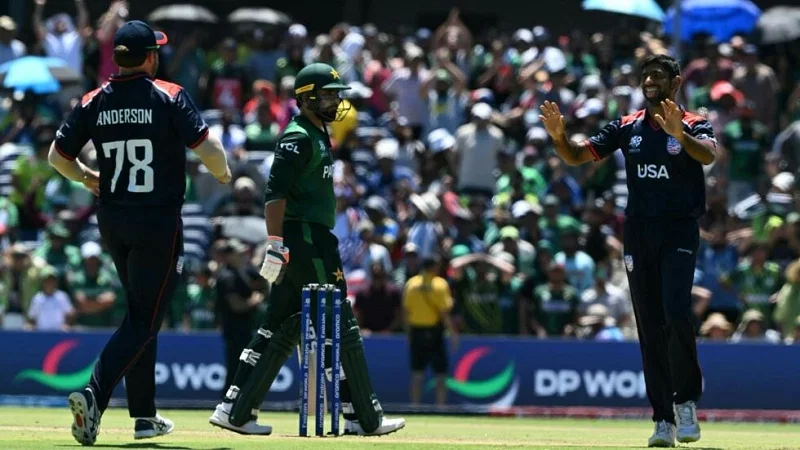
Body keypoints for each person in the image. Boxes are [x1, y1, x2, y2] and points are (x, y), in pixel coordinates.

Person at [48, 20, 231, 446]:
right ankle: (95, 394)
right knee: (145, 319)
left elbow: (58, 158)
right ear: (150, 56)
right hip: (156, 222)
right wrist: (222, 176)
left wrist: (85, 177)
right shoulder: (168, 94)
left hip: (112, 220)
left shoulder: (95, 99)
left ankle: (144, 416)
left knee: (139, 314)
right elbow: (210, 150)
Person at [208, 62, 405, 436]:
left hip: (310, 237)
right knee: (340, 320)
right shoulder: (298, 137)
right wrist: (276, 243)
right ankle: (364, 417)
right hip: (305, 238)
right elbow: (274, 193)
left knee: (279, 322)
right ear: (308, 97)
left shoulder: (317, 134)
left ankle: (234, 408)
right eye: (329, 95)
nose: (336, 102)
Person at [539, 54, 716, 448]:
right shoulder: (625, 126)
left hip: (679, 231)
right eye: (644, 75)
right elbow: (575, 155)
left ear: (675, 82)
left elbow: (707, 155)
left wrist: (679, 135)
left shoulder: (693, 123)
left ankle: (686, 401)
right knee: (649, 325)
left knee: (676, 312)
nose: (649, 80)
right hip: (638, 233)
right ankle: (662, 419)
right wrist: (557, 137)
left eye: (657, 75)